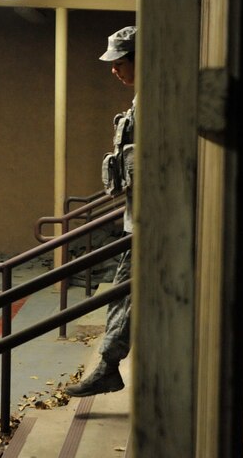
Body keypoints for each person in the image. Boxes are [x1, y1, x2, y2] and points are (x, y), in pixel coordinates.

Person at [66, 25, 137, 397]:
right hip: (138, 221)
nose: (114, 69)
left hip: (151, 225)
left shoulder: (157, 102)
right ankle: (108, 366)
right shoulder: (143, 101)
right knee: (120, 293)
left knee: (126, 294)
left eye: (120, 62)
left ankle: (108, 366)